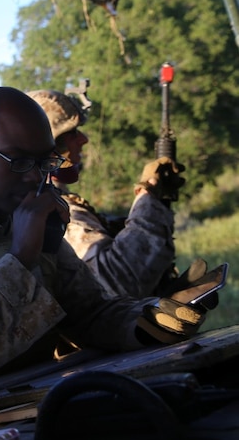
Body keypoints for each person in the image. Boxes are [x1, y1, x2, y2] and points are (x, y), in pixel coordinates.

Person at [0, 87, 220, 404]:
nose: (34, 177)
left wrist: (146, 321)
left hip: (41, 406)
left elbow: (88, 313)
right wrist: (21, 258)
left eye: (44, 163)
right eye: (20, 162)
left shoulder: (25, 218)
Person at [27, 88, 185, 298]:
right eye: (73, 132)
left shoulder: (52, 201)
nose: (83, 139)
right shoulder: (51, 213)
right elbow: (117, 283)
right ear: (50, 143)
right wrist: (149, 197)